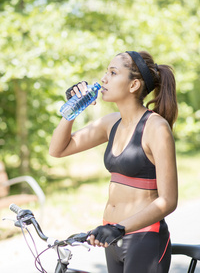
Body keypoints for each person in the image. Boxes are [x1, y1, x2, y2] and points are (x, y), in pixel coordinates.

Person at [49, 50, 178, 273]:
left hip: (143, 239)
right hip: (111, 237)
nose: (103, 79)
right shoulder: (111, 123)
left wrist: (120, 228)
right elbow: (58, 149)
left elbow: (168, 201)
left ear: (133, 85)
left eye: (113, 72)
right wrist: (72, 109)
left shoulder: (156, 128)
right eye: (106, 72)